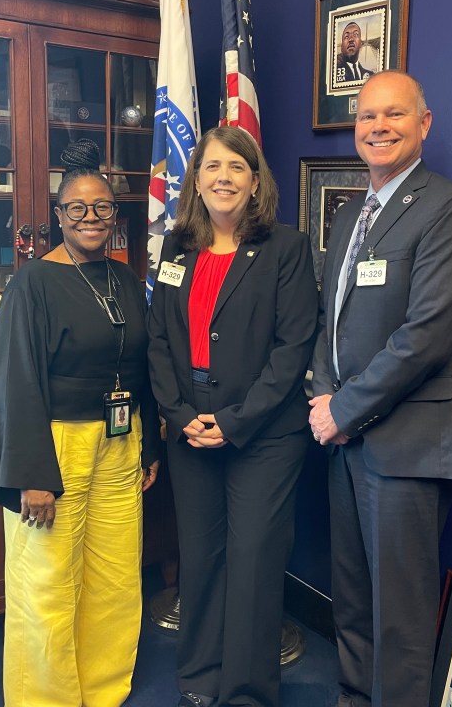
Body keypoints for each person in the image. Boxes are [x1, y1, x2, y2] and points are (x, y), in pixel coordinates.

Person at [309, 70, 452, 707]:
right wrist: (326, 398)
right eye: (366, 117)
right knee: (352, 602)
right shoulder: (354, 213)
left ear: (425, 123)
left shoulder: (449, 209)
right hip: (344, 440)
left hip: (407, 445)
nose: (378, 127)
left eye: (394, 115)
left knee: (401, 622)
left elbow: (427, 336)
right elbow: (331, 321)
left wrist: (344, 410)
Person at [0, 140, 160, 707]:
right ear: (58, 216)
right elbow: (16, 382)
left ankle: (102, 688)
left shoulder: (125, 280)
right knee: (48, 581)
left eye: (102, 207)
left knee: (114, 576)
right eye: (76, 208)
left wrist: (147, 443)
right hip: (56, 448)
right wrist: (33, 474)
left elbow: (142, 363)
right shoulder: (32, 284)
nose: (90, 218)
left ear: (115, 215)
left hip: (119, 443)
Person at [147, 126, 318, 707]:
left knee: (252, 564)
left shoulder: (286, 250)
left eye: (237, 167)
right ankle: (198, 677)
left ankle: (246, 692)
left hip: (264, 436)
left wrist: (236, 421)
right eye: (213, 166)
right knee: (200, 558)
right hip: (189, 430)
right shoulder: (176, 247)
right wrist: (178, 412)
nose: (223, 177)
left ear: (255, 180)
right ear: (195, 178)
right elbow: (159, 341)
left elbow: (293, 349)